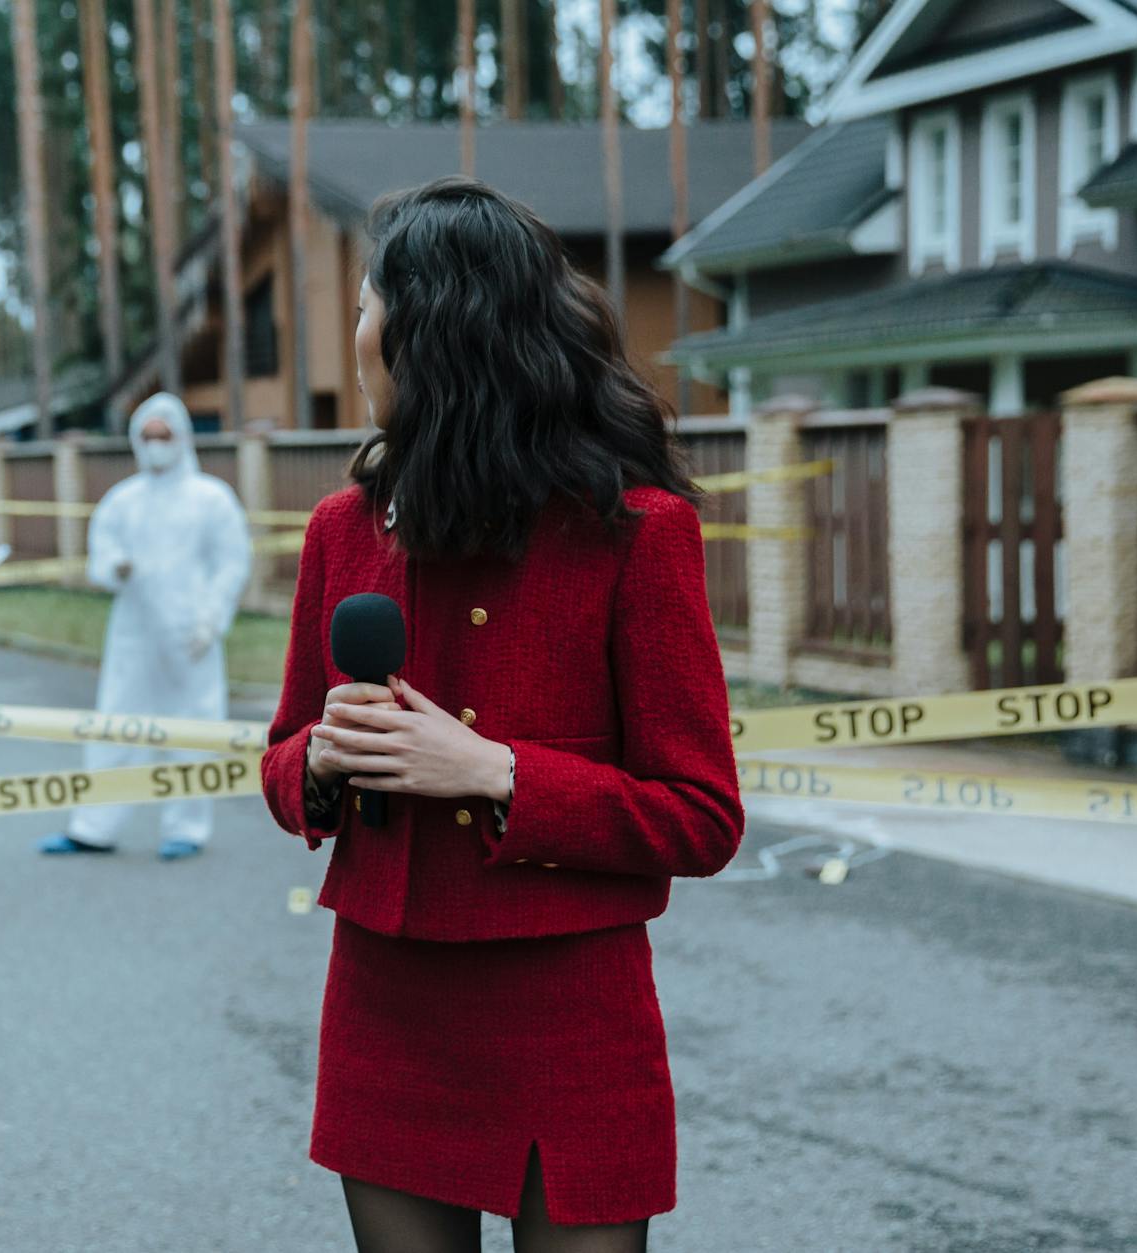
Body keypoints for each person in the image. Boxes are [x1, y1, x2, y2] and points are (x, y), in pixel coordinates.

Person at [259, 178, 744, 1253]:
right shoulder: (343, 526)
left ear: (426, 330)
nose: (355, 334)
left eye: (363, 306)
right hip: (388, 1003)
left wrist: (494, 772)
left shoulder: (635, 532)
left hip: (569, 1011)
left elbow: (701, 816)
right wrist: (324, 762)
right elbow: (281, 754)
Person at [40, 393, 252, 861]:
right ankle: (94, 827)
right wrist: (113, 568)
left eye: (165, 435)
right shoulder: (124, 500)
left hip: (191, 634)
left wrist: (212, 620)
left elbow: (232, 565)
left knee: (192, 731)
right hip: (133, 635)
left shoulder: (211, 499)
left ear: (182, 438)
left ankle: (187, 828)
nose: (156, 445)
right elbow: (101, 554)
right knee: (116, 725)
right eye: (148, 436)